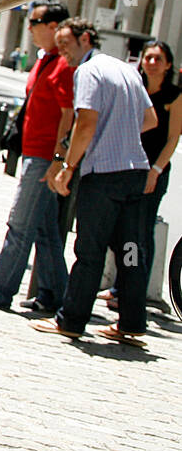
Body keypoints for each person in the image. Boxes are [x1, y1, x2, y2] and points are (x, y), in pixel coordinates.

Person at [34, 19, 155, 346]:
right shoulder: (127, 70)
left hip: (104, 174)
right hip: (135, 170)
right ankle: (132, 323)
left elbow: (85, 123)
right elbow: (150, 119)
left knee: (90, 249)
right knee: (130, 250)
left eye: (66, 45)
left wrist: (68, 166)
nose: (63, 54)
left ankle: (70, 321)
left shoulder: (89, 73)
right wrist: (121, 134)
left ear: (85, 39)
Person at [0, 2, 72, 313]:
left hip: (43, 156)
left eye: (34, 21)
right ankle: (54, 294)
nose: (29, 28)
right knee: (45, 229)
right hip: (34, 152)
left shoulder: (64, 65)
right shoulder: (46, 60)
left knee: (20, 225)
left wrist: (58, 157)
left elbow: (69, 114)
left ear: (53, 26)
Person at [102, 39, 181, 310]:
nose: (152, 63)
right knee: (121, 231)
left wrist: (155, 171)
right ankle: (119, 286)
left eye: (158, 58)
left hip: (152, 173)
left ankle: (132, 293)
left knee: (142, 233)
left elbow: (172, 139)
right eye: (148, 58)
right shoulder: (135, 88)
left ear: (168, 64)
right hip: (126, 167)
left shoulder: (174, 96)